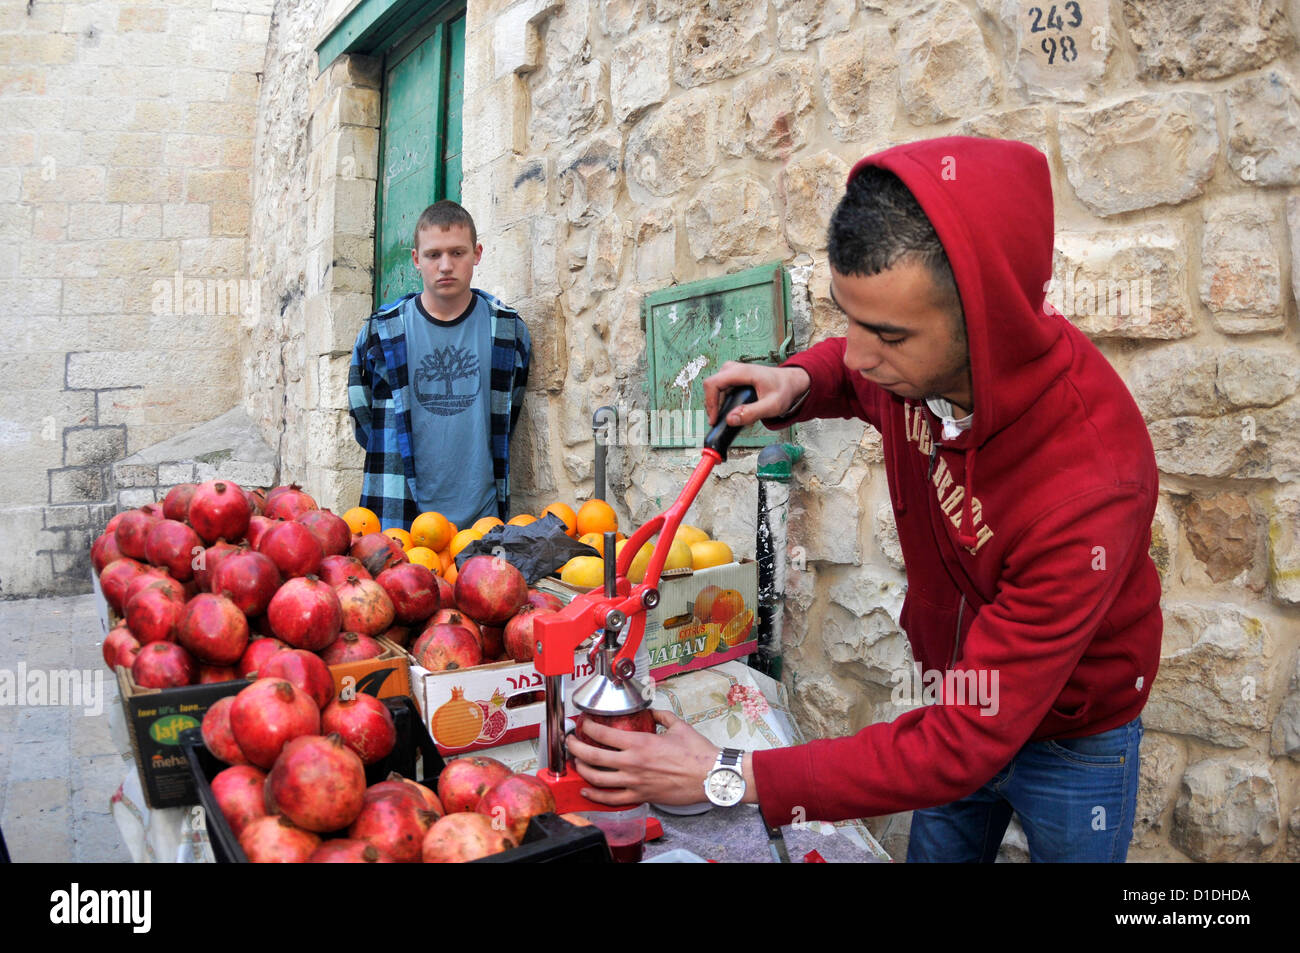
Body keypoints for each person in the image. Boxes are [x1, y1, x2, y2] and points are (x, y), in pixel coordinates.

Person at [566, 137, 1163, 863]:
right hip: (953, 703)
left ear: (986, 316)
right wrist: (799, 381)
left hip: (1074, 735)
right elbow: (851, 374)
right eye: (848, 317)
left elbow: (963, 743)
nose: (857, 353)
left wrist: (730, 774)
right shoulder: (910, 363)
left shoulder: (1089, 481)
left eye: (884, 333)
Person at [348, 201, 531, 530]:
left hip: (482, 523)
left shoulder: (507, 330)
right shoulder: (382, 331)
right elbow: (364, 419)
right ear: (417, 260)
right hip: (398, 517)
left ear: (476, 253)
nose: (445, 265)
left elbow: (509, 410)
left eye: (457, 253)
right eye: (433, 255)